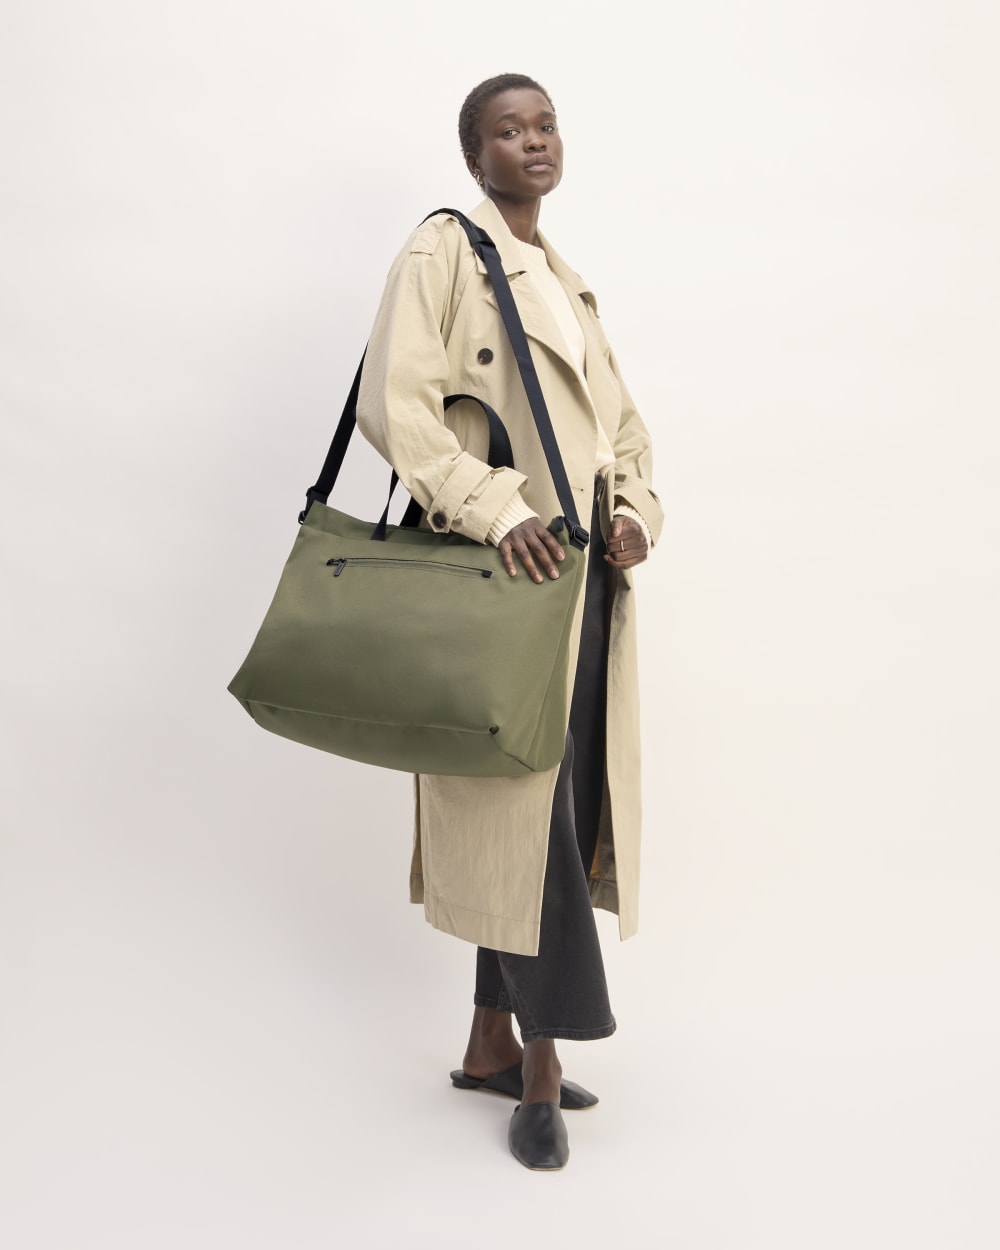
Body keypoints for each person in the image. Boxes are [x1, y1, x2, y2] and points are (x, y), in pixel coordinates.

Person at [355, 73, 662, 1171]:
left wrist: (632, 515)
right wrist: (495, 509)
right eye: (507, 129)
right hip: (506, 576)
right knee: (525, 815)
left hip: (582, 583)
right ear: (472, 154)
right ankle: (539, 1060)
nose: (533, 141)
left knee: (551, 812)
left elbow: (624, 432)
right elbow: (396, 405)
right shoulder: (444, 250)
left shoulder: (567, 282)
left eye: (545, 124)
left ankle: (487, 1037)